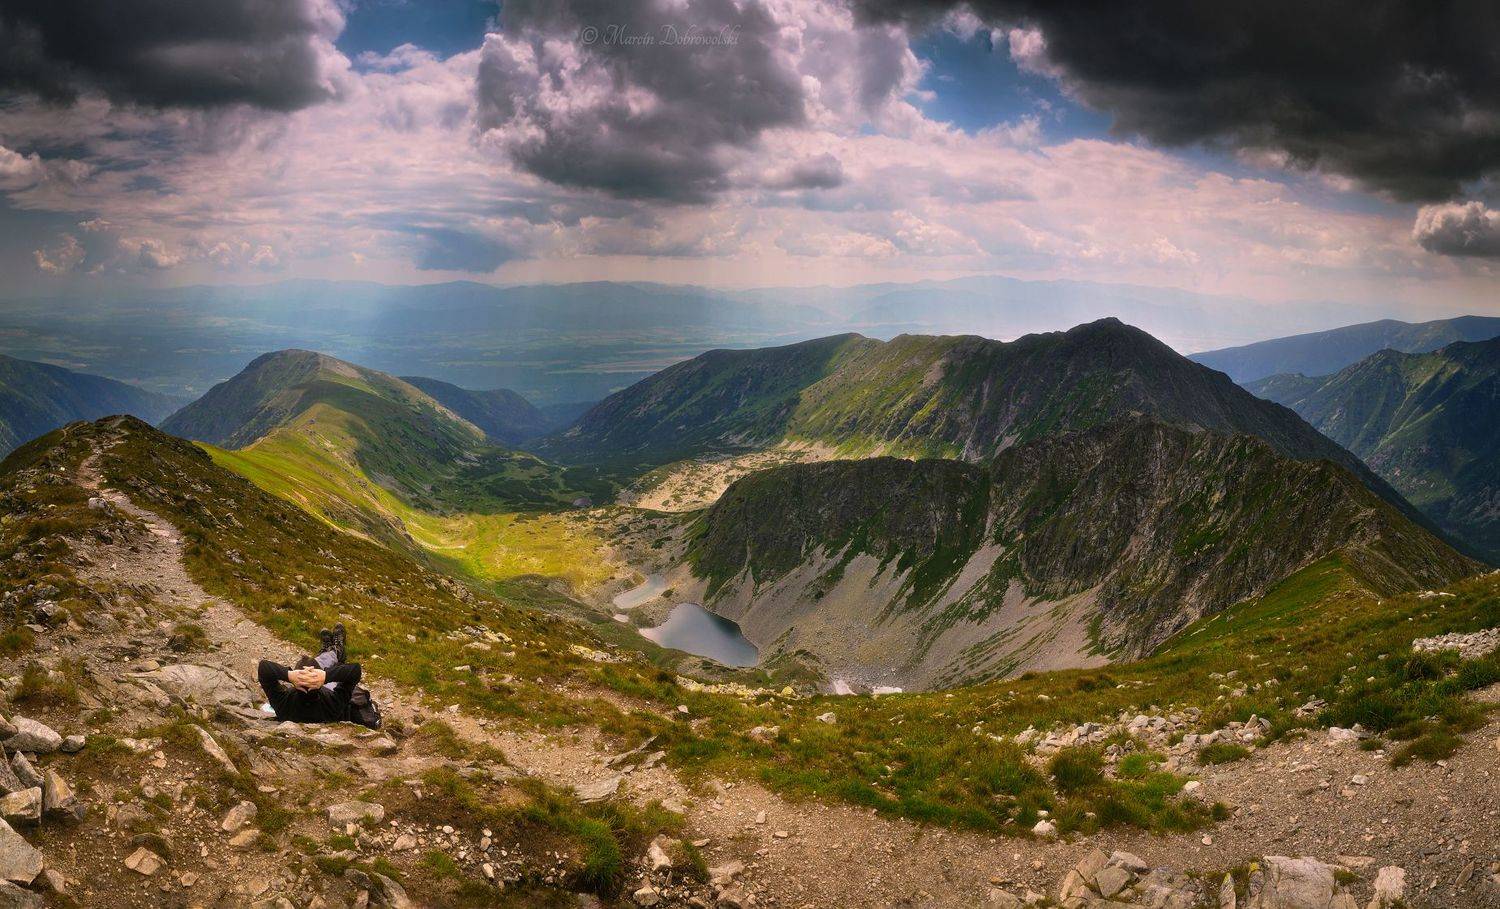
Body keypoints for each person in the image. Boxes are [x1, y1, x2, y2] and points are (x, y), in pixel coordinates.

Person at [256, 623, 363, 724]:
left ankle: (328, 652)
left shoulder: (283, 706)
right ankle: (337, 652)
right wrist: (325, 676)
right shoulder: (332, 704)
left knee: (316, 661)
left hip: (313, 704)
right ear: (319, 684)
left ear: (295, 683)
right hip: (327, 691)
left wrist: (289, 675)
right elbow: (356, 670)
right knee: (325, 664)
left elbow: (263, 667)